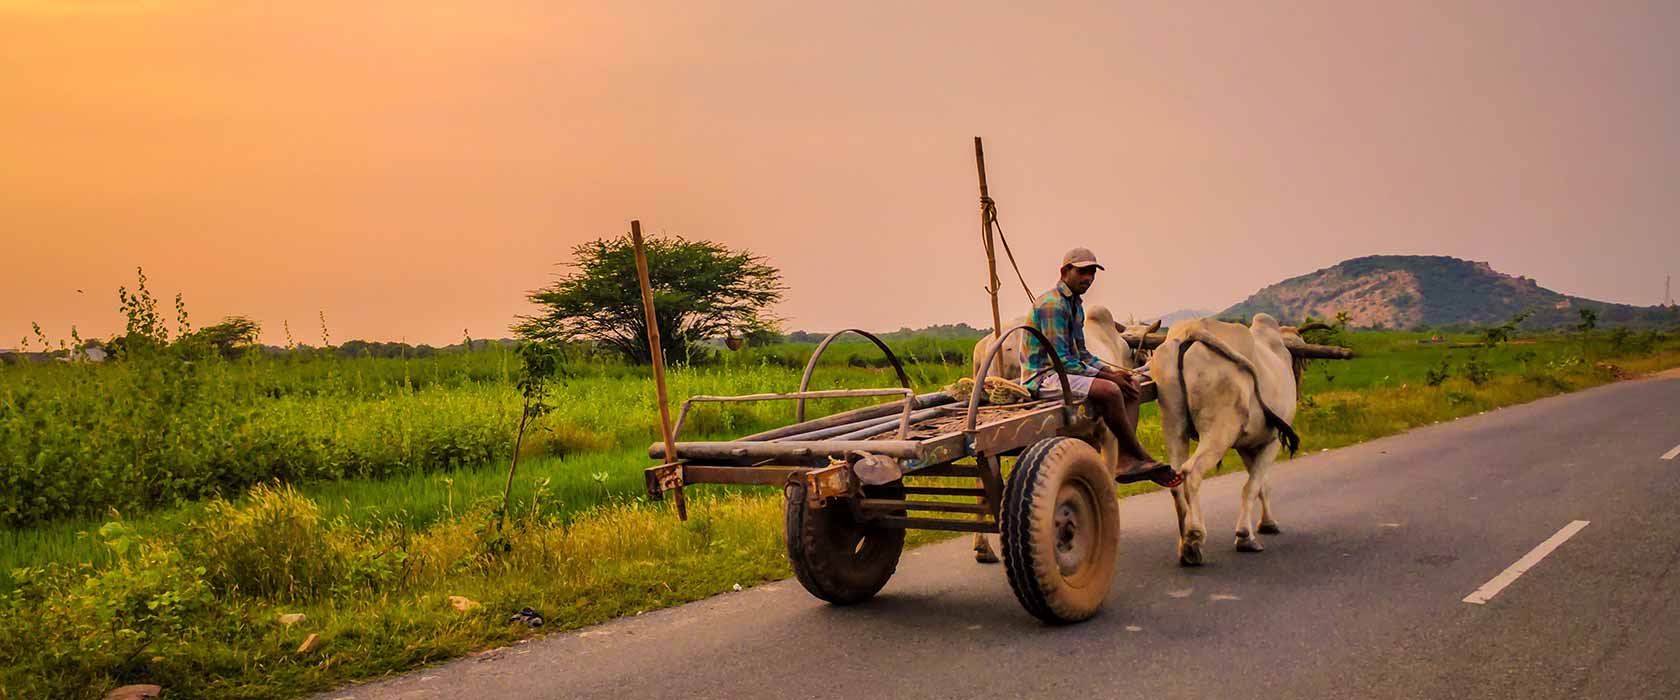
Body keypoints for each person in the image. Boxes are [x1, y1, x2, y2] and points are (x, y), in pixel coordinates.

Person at [1021, 248, 1182, 488]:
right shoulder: (1053, 305)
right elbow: (1062, 360)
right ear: (1065, 271)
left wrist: (1115, 373)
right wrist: (1107, 379)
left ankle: (1126, 457)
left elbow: (1083, 354)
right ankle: (1138, 455)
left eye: (1092, 273)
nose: (1088, 278)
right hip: (1045, 377)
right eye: (1082, 272)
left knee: (1131, 382)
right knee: (1110, 391)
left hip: (1064, 373)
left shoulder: (1075, 304)